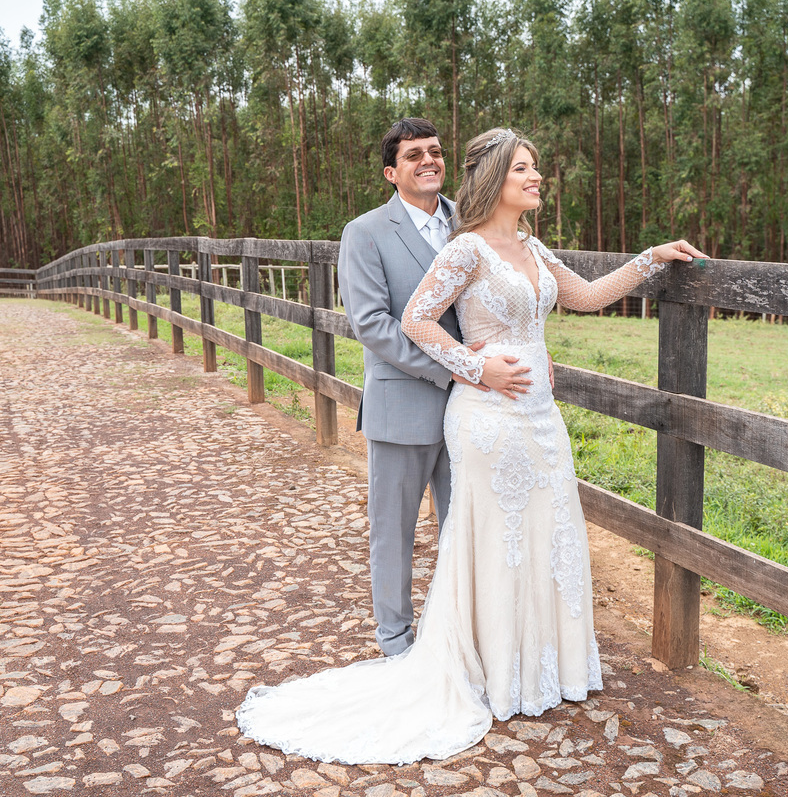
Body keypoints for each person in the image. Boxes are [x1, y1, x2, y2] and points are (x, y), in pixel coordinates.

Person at [236, 127, 706, 764]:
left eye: (535, 167)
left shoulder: (528, 245)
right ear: (495, 180)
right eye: (523, 168)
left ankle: (529, 662)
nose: (536, 177)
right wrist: (469, 366)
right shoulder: (453, 247)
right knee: (443, 531)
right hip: (480, 412)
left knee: (537, 533)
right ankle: (412, 647)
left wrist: (653, 257)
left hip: (537, 417)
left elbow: (588, 296)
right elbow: (403, 320)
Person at [334, 117, 524, 657]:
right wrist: (458, 367)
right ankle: (396, 639)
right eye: (414, 155)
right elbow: (371, 324)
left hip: (475, 408)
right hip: (407, 402)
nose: (428, 161)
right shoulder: (365, 233)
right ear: (392, 172)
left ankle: (460, 636)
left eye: (435, 151)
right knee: (392, 531)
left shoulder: (473, 224)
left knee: (465, 526)